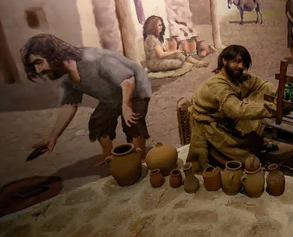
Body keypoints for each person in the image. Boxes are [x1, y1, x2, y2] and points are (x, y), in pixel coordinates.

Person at [21, 34, 152, 166]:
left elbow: (128, 80)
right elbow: (69, 106)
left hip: (135, 89)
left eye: (39, 62)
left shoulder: (91, 59)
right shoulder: (66, 77)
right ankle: (109, 156)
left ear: (52, 54)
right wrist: (53, 137)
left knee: (132, 121)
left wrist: (126, 106)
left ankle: (139, 158)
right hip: (111, 96)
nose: (38, 70)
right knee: (98, 122)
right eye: (34, 66)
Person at [185, 45, 293, 171]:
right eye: (237, 61)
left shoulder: (237, 78)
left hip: (227, 122)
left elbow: (261, 85)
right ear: (224, 60)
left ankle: (253, 144)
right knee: (247, 159)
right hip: (213, 129)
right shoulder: (216, 85)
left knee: (258, 101)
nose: (241, 66)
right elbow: (237, 110)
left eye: (243, 63)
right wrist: (274, 109)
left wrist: (279, 92)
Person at [143, 15, 208, 72]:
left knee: (180, 54)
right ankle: (196, 63)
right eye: (159, 25)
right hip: (154, 64)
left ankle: (197, 62)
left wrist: (177, 52)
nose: (162, 27)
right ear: (153, 26)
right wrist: (176, 51)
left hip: (158, 60)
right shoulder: (151, 38)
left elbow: (163, 52)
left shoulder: (154, 37)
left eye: (161, 25)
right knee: (178, 62)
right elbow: (161, 55)